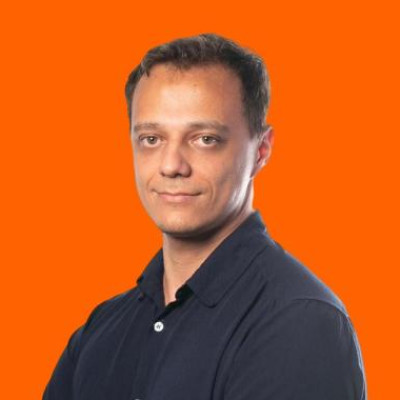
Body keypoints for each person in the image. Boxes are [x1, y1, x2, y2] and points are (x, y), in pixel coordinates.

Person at [43, 33, 367, 400]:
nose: (171, 165)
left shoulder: (300, 323)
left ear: (261, 151)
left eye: (205, 139)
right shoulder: (100, 331)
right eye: (151, 139)